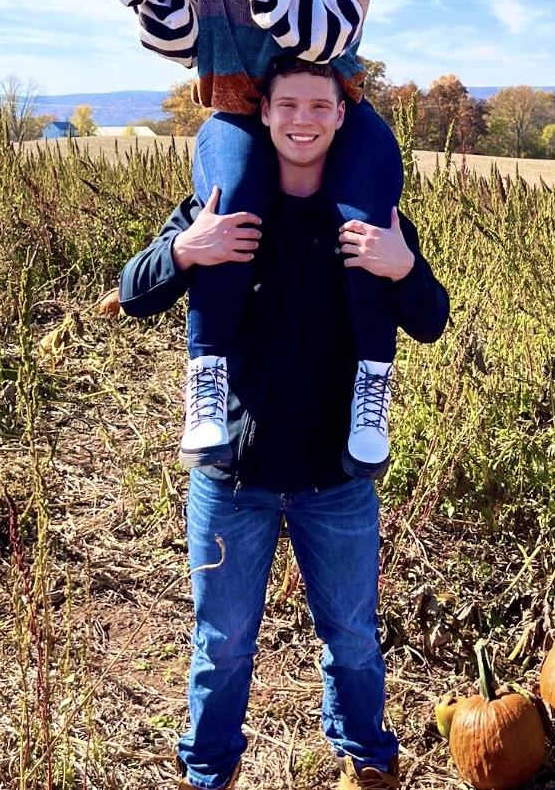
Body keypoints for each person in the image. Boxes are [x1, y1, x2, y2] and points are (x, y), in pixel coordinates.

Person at [119, 58, 449, 790]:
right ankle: (209, 773)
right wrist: (183, 249)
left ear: (340, 116)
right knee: (224, 644)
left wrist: (403, 267)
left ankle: (367, 760)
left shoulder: (373, 214)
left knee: (354, 640)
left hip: (337, 478)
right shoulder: (219, 202)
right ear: (263, 112)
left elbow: (430, 321)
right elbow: (132, 292)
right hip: (233, 475)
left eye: (319, 106)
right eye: (288, 104)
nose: (303, 119)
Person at [98, 0, 401, 479]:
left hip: (325, 112)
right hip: (239, 110)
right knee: (227, 206)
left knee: (368, 220)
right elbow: (183, 43)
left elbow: (322, 37)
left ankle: (373, 383)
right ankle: (206, 381)